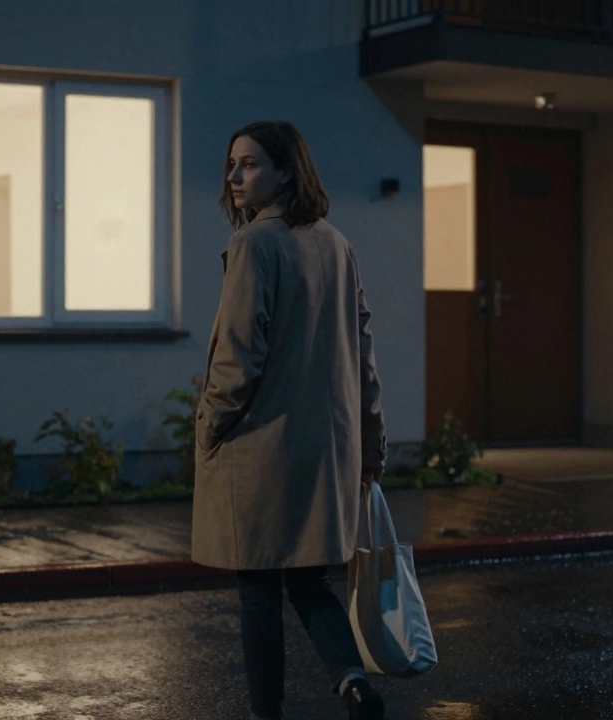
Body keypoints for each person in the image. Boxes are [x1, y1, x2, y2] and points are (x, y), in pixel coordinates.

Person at [192, 120, 388, 720]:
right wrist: (373, 442)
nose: (233, 177)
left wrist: (209, 425)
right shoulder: (335, 243)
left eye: (248, 165)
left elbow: (238, 354)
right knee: (309, 583)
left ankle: (266, 713)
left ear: (284, 171)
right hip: (325, 449)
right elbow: (363, 353)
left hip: (261, 446)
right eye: (232, 165)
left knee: (257, 587)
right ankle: (354, 682)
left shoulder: (258, 243)